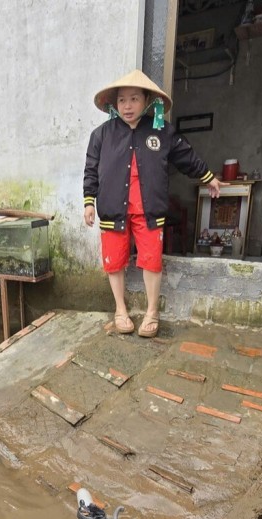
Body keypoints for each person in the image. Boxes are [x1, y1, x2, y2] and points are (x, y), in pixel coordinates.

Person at [84, 69, 221, 337]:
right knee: (114, 262)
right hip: (113, 210)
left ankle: (152, 312)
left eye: (134, 99)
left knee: (151, 261)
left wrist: (208, 177)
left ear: (147, 101)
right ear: (114, 104)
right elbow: (91, 169)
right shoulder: (101, 135)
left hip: (149, 211)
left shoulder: (162, 131)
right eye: (122, 100)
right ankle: (120, 310)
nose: (127, 106)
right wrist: (89, 202)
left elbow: (186, 156)